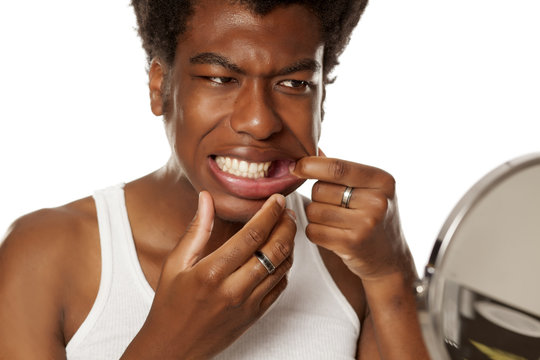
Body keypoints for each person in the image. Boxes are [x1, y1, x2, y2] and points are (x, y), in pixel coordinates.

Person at [0, 0, 430, 358]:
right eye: (220, 79)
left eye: (294, 83)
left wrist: (392, 275)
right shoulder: (47, 255)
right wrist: (171, 344)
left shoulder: (351, 264)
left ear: (322, 101)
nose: (259, 122)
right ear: (160, 87)